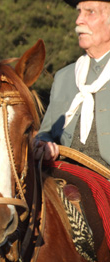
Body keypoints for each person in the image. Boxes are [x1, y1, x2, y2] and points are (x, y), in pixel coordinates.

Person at [35, 0, 110, 167]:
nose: (78, 21)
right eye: (79, 13)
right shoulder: (64, 77)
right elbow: (44, 133)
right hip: (64, 177)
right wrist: (44, 144)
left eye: (90, 12)